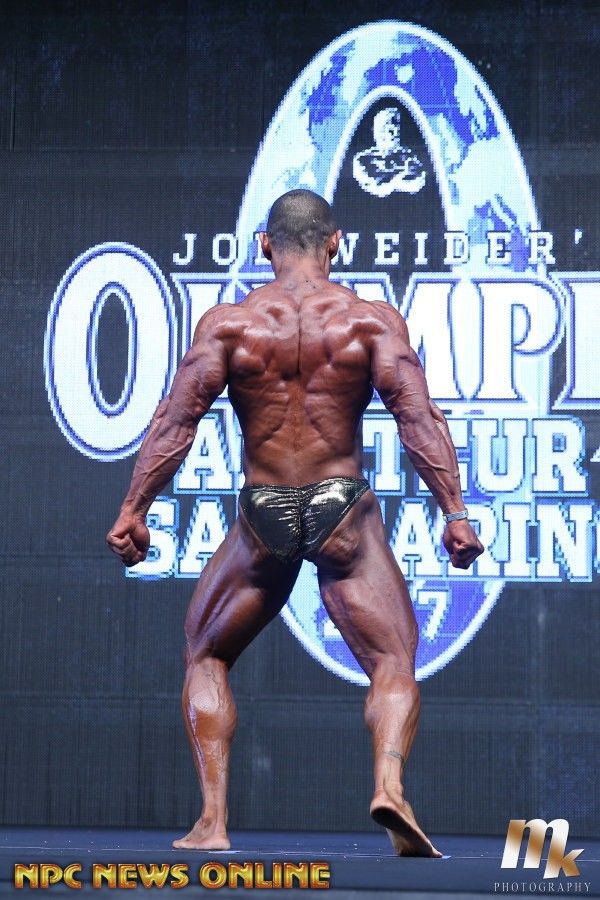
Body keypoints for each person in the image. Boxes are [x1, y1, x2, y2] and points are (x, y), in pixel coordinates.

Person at [107, 189, 483, 857]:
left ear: (264, 245)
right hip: (342, 506)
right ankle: (389, 787)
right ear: (336, 243)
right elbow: (418, 419)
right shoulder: (369, 322)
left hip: (266, 506)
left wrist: (135, 508)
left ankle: (212, 822)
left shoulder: (231, 325)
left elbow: (175, 422)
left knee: (207, 654)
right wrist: (453, 512)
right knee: (392, 659)